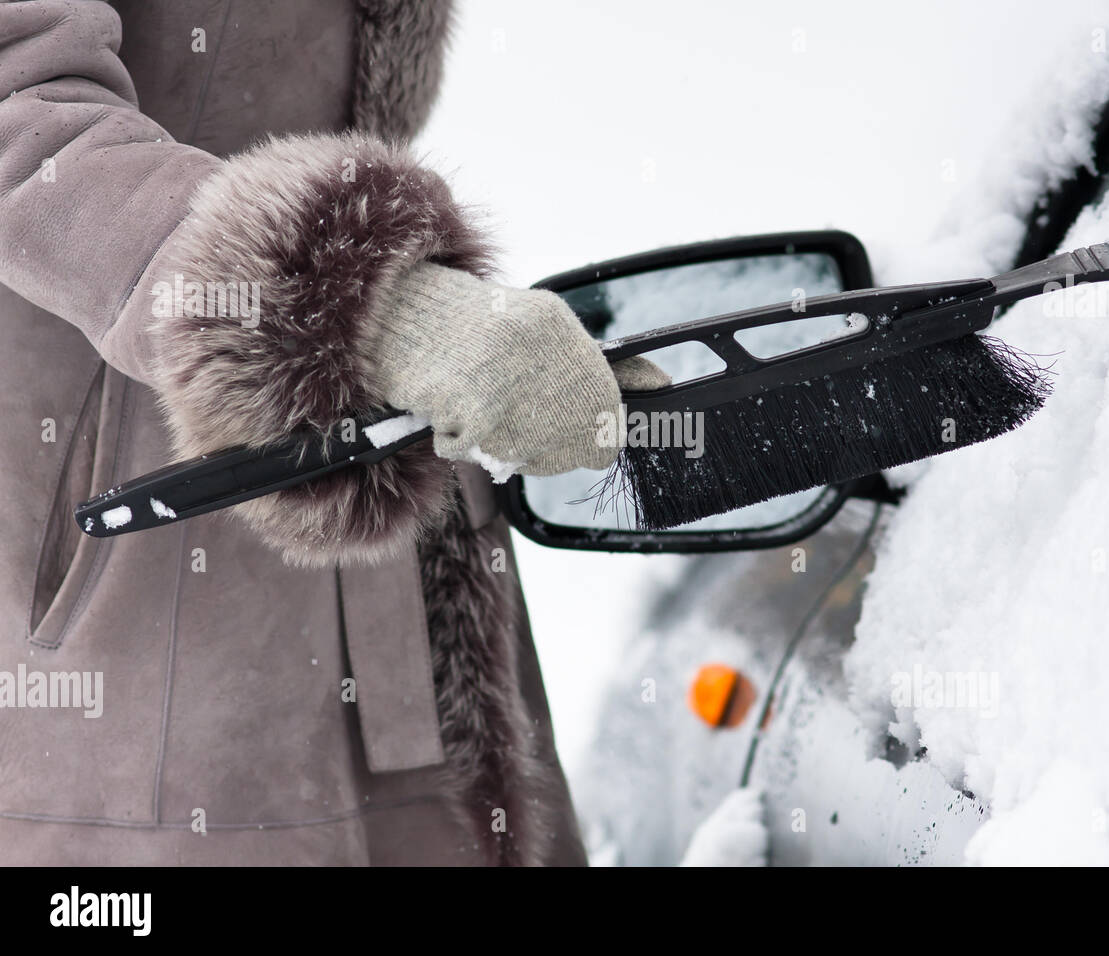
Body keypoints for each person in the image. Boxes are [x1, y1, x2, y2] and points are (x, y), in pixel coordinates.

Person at [0, 0, 662, 865]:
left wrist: (428, 329)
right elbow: (21, 105)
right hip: (133, 570)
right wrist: (372, 310)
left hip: (376, 522)